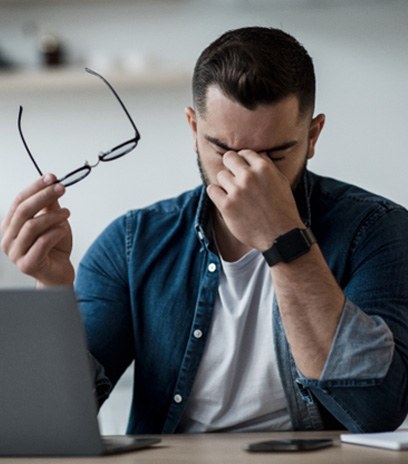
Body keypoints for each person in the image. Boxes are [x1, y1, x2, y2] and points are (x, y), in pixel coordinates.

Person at [1, 26, 408, 434]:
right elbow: (45, 422)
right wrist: (51, 288)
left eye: (275, 155)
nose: (247, 174)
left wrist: (283, 239)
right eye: (224, 151)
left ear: (313, 136)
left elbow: (375, 410)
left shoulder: (376, 231)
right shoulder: (132, 244)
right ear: (193, 130)